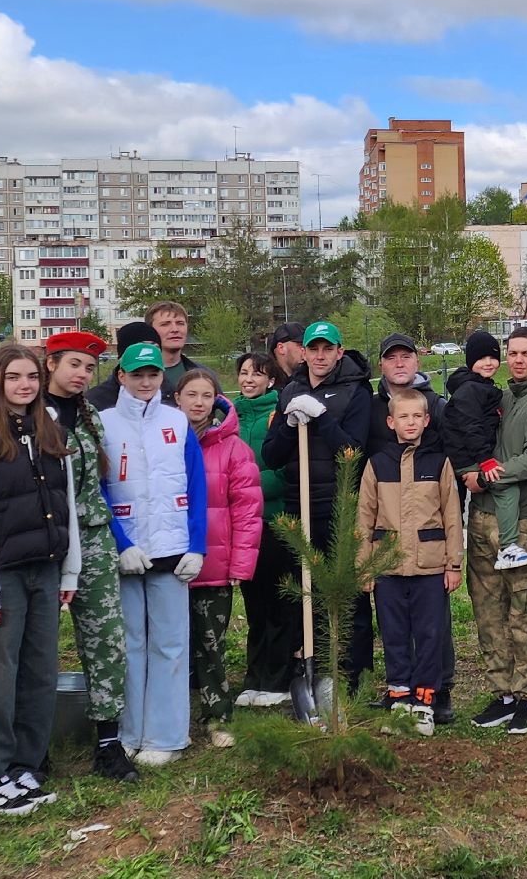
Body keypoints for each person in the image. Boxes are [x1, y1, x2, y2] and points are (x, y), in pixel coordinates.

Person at [0, 344, 80, 814]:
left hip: (45, 571)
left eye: (30, 377)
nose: (24, 385)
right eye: (13, 377)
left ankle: (25, 765)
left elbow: (68, 508)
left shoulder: (51, 434)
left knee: (38, 673)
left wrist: (71, 567)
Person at [98, 341, 207, 766]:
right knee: (130, 643)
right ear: (121, 376)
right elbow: (98, 490)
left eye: (154, 374)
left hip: (171, 550)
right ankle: (129, 731)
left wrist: (196, 546)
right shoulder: (103, 423)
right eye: (137, 374)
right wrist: (121, 544)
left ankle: (166, 735)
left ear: (164, 378)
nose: (146, 382)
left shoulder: (177, 422)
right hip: (128, 551)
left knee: (171, 643)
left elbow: (196, 487)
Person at [262, 321, 372, 708]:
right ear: (303, 352)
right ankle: (306, 671)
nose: (321, 355)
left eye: (329, 348)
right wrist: (292, 425)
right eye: (314, 349)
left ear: (340, 351)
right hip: (299, 506)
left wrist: (322, 418)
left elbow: (353, 454)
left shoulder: (357, 392)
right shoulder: (289, 391)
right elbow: (271, 456)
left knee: (349, 595)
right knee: (301, 594)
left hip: (339, 507)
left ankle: (355, 676)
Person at [43, 331, 138, 783]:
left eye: (87, 367)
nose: (81, 374)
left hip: (94, 537)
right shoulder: (28, 415)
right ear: (52, 365)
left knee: (106, 641)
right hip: (45, 541)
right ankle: (33, 745)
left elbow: (96, 481)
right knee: (38, 645)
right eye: (73, 365)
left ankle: (107, 742)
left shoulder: (88, 417)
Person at [466, 327, 527, 735]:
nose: (518, 360)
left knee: (523, 610)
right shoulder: (501, 396)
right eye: (513, 353)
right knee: (489, 611)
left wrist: (487, 478)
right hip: (483, 518)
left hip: (523, 520)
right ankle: (502, 694)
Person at [357, 332, 454, 722]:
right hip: (388, 562)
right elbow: (365, 513)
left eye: (417, 417)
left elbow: (450, 513)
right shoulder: (377, 459)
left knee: (431, 633)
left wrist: (454, 562)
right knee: (394, 633)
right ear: (390, 421)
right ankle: (399, 694)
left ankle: (429, 699)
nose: (410, 423)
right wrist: (366, 564)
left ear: (427, 419)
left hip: (430, 560)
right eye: (403, 418)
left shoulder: (437, 453)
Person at [174, 369, 263, 748]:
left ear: (216, 400)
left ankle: (217, 714)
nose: (198, 402)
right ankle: (169, 718)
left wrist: (240, 565)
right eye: (190, 394)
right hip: (167, 563)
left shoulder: (233, 449)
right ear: (177, 398)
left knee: (211, 645)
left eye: (206, 395)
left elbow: (247, 511)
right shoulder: (163, 441)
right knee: (169, 645)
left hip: (214, 564)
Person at [232, 351, 295, 708]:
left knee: (279, 603)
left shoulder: (279, 414)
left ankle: (278, 678)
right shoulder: (229, 415)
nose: (249, 380)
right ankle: (253, 676)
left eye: (257, 374)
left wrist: (246, 482)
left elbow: (283, 471)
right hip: (243, 525)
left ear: (271, 380)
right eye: (243, 373)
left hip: (275, 520)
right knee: (254, 603)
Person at [445, 330, 527, 570]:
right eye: (481, 358)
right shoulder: (470, 390)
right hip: (468, 457)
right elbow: (470, 427)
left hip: (472, 454)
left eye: (493, 357)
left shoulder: (480, 386)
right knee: (506, 488)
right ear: (470, 361)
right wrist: (485, 461)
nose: (488, 363)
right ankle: (508, 547)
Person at [87, 322, 161, 411]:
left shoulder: (171, 393)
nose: (150, 352)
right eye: (139, 348)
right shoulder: (95, 402)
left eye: (155, 347)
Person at [269, 321, 306, 390]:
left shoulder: (308, 380)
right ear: (281, 348)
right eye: (300, 345)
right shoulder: (264, 384)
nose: (305, 351)